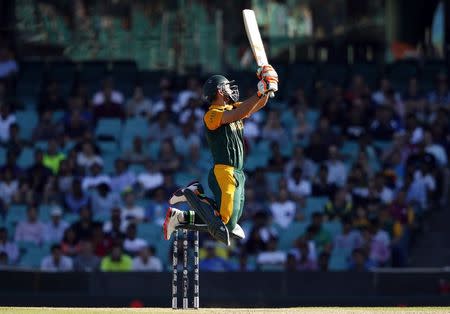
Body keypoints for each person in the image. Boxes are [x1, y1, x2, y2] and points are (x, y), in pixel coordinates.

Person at [164, 65, 279, 245]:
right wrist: (260, 92)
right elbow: (241, 112)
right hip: (224, 171)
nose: (231, 90)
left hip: (238, 172)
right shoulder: (212, 114)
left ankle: (179, 218)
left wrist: (268, 85)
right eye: (226, 87)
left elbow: (255, 105)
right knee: (223, 226)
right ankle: (192, 194)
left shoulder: (233, 108)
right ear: (219, 91)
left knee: (230, 226)